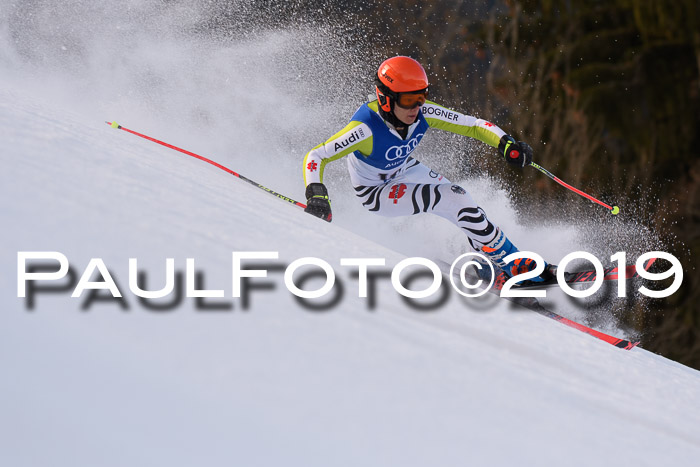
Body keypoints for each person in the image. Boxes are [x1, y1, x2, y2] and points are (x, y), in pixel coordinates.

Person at [301, 55, 554, 282]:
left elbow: (474, 125)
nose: (417, 107)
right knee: (452, 198)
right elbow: (317, 156)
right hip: (376, 192)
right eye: (409, 99)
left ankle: (485, 260)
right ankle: (519, 267)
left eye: (422, 97)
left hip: (404, 168)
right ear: (385, 99)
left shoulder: (423, 113)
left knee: (462, 198)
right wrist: (316, 193)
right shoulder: (364, 128)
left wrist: (505, 142)